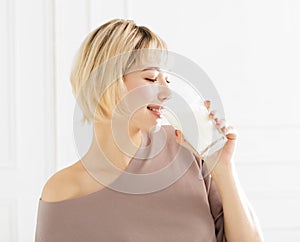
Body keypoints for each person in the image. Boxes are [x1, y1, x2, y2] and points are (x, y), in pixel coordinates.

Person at [35, 19, 263, 242]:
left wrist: (223, 168)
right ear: (107, 83)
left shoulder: (188, 149)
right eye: (151, 77)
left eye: (167, 80)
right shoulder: (64, 191)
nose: (167, 93)